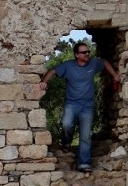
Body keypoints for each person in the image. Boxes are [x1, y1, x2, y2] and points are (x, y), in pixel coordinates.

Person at [38, 42, 120, 173]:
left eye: (88, 52)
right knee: (66, 124)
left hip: (87, 105)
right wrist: (43, 82)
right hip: (72, 103)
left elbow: (104, 62)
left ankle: (84, 164)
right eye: (84, 52)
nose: (87, 54)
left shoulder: (93, 63)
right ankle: (66, 143)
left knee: (85, 135)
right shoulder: (68, 66)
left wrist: (114, 75)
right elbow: (53, 71)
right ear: (76, 55)